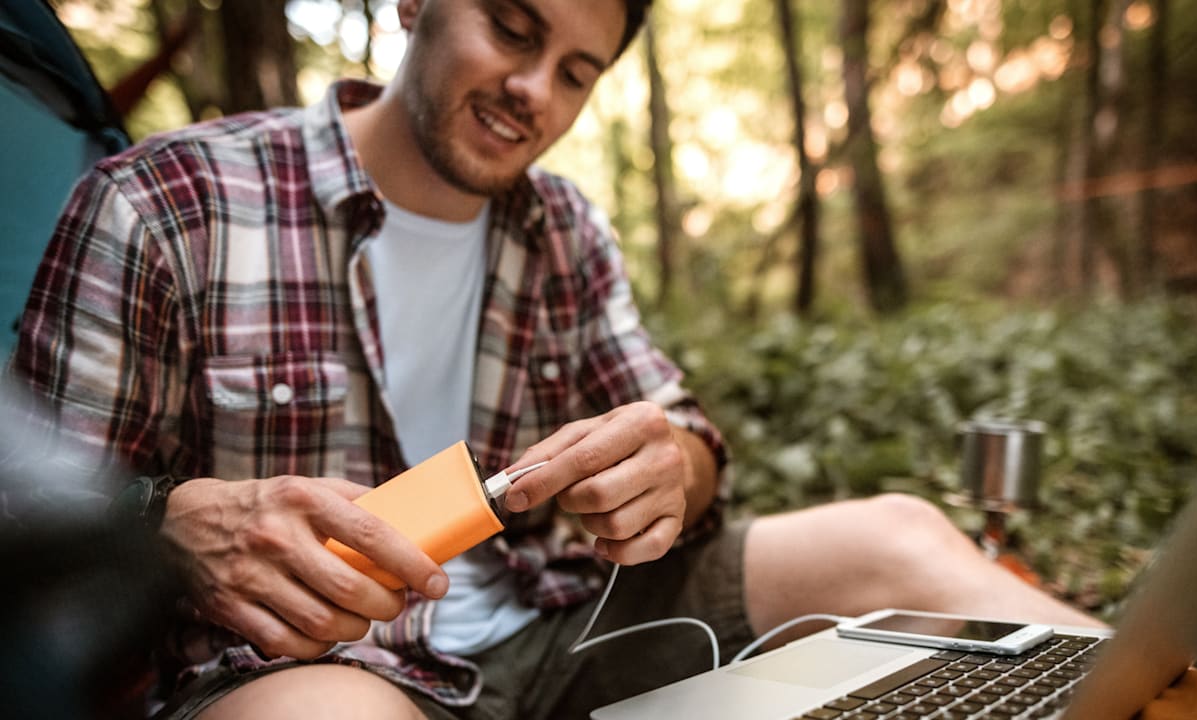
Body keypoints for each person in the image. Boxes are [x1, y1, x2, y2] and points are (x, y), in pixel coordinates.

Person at [8, 0, 1100, 718]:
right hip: (306, 670)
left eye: (575, 72)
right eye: (512, 29)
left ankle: (1174, 698)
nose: (534, 90)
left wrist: (672, 463)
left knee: (898, 534)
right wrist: (165, 521)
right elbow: (33, 521)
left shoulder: (563, 226)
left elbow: (680, 431)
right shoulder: (167, 203)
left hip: (565, 623)